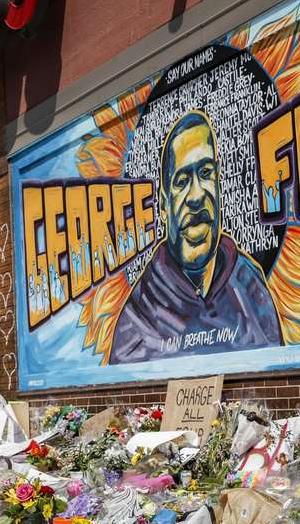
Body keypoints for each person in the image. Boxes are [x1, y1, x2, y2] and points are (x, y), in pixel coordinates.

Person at [110, 110, 282, 364]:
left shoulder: (250, 286)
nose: (196, 195)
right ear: (163, 206)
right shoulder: (138, 316)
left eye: (205, 173)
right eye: (181, 181)